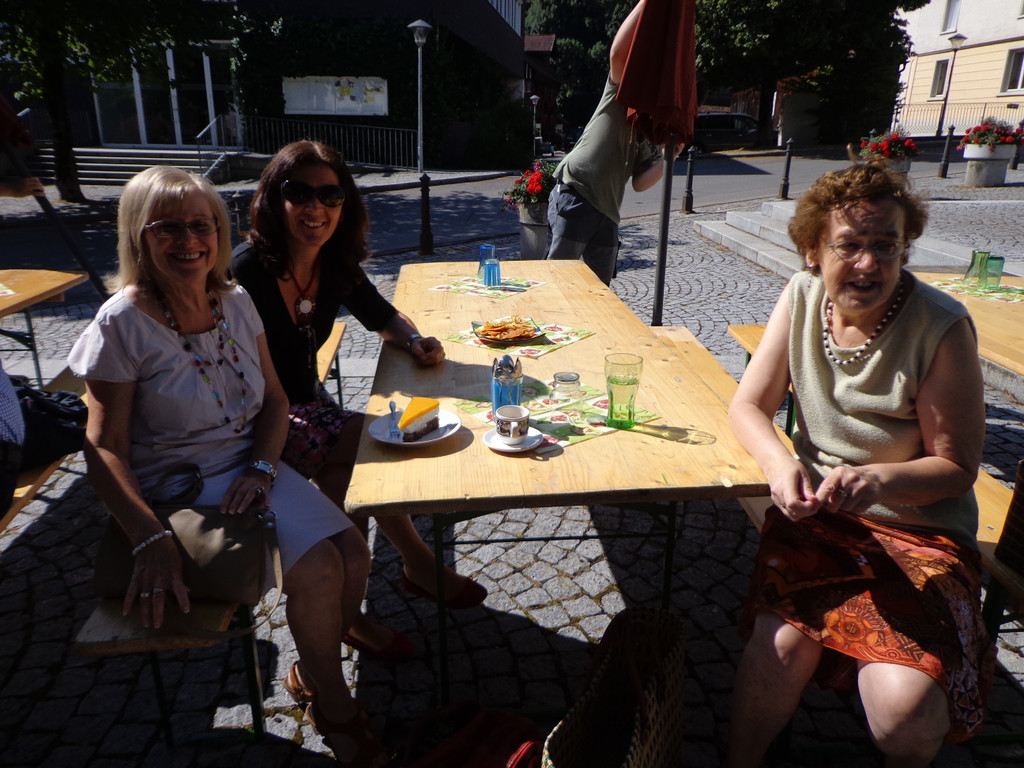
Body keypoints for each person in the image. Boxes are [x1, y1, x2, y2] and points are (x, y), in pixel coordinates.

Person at [69, 166, 386, 768]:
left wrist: (263, 469)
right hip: (178, 488)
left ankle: (311, 669)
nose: (189, 240)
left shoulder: (235, 301)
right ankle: (334, 703)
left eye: (202, 225)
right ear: (138, 235)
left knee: (353, 552)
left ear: (218, 231)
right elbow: (102, 448)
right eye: (168, 228)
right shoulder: (120, 324)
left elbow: (276, 402)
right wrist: (148, 537)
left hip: (249, 468)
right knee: (321, 567)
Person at [724, 161, 994, 768]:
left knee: (903, 716)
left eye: (886, 245)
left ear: (905, 247)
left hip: (921, 533)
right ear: (813, 250)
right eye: (849, 245)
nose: (869, 264)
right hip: (819, 518)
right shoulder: (801, 295)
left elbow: (955, 468)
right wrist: (779, 464)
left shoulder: (940, 326)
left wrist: (876, 480)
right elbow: (747, 405)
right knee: (780, 649)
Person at [232, 140, 486, 660]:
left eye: (330, 195)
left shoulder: (334, 263)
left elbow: (381, 314)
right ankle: (416, 564)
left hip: (311, 407)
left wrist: (415, 341)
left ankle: (347, 616)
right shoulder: (247, 271)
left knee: (344, 478)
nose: (316, 207)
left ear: (345, 204)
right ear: (274, 199)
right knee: (376, 440)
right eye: (300, 192)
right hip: (259, 422)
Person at [545, 0, 667, 285]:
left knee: (600, 291)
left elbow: (640, 183)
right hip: (576, 193)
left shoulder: (649, 128)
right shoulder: (621, 94)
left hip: (608, 213)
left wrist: (668, 159)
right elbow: (617, 54)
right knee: (557, 280)